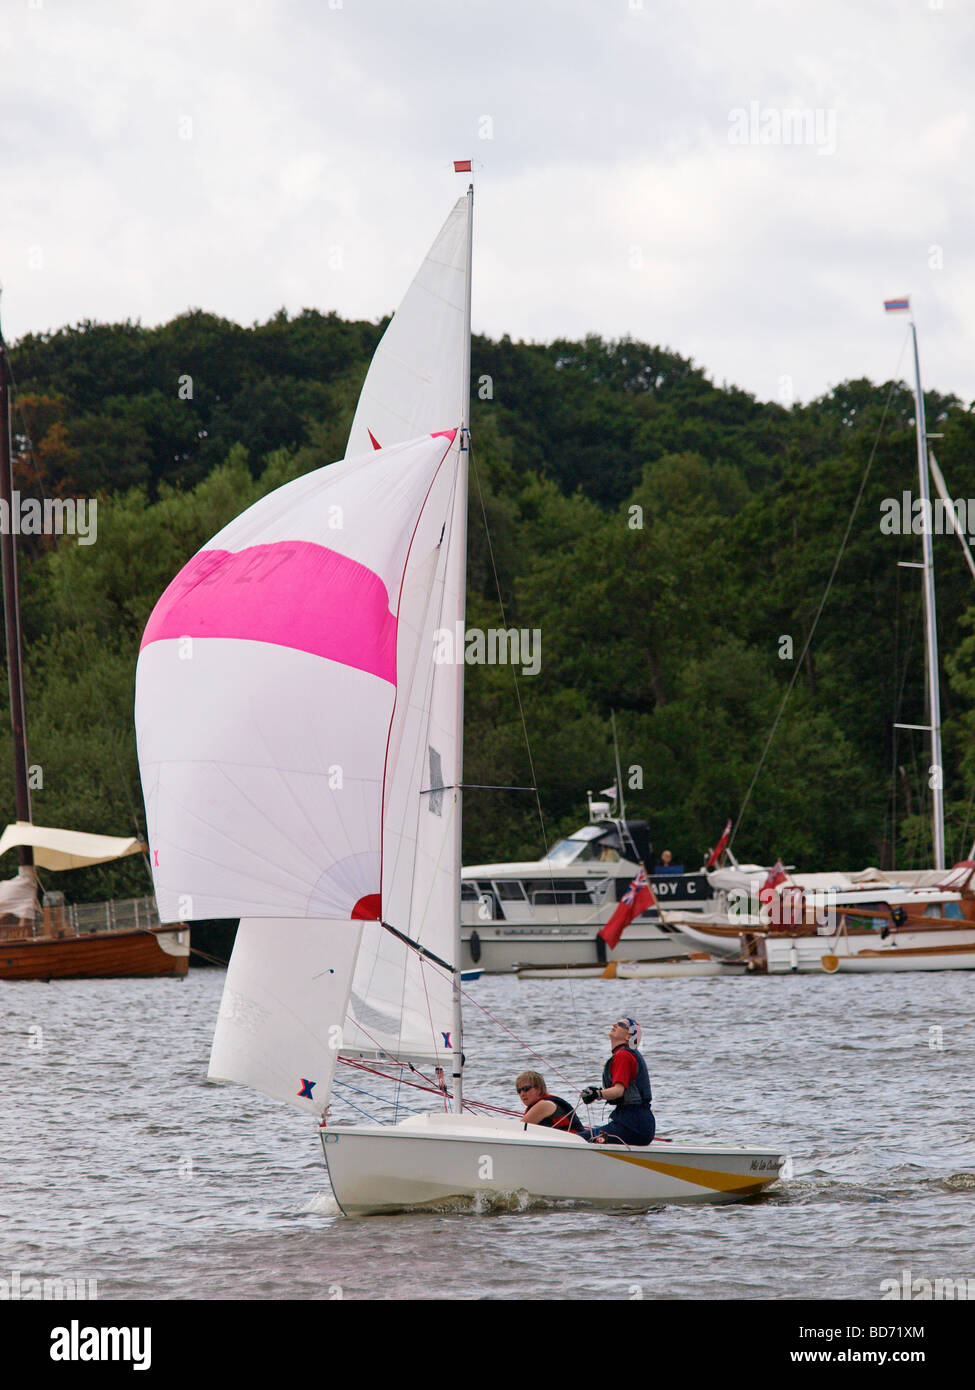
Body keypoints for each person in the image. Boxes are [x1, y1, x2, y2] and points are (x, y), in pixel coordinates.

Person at [580, 1017, 655, 1146]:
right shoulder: (626, 1054)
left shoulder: (623, 1056)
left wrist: (597, 1094)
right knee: (586, 1135)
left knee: (579, 1140)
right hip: (637, 1123)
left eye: (620, 1024)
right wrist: (597, 1092)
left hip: (632, 1125)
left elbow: (618, 1091)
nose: (614, 1024)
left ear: (628, 1037)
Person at [515, 1070, 586, 1135]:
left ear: (539, 1089)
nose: (522, 1094)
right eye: (519, 1091)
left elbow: (519, 1131)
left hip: (577, 1142)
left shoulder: (544, 1105)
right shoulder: (542, 1103)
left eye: (526, 1089)